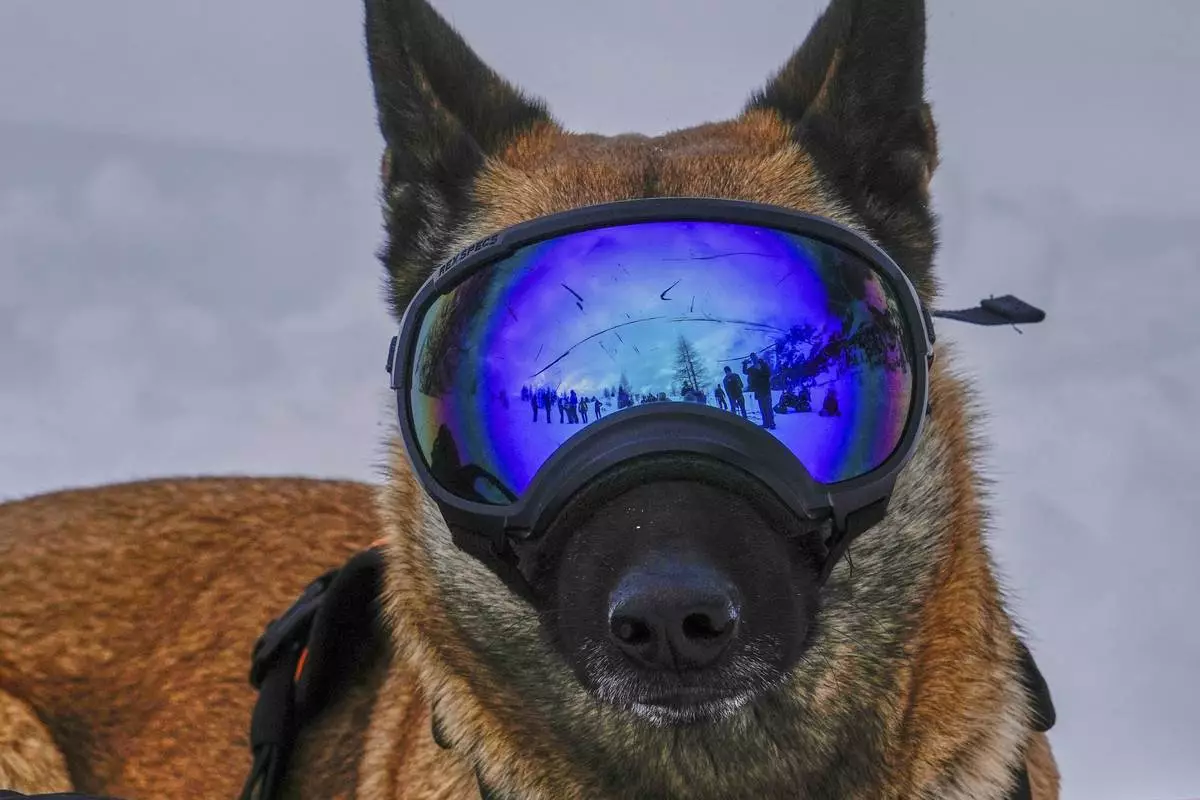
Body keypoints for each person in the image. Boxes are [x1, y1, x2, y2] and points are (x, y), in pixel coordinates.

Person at [744, 352, 775, 430]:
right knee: (763, 408)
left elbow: (768, 374)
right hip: (758, 392)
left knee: (768, 408)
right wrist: (745, 364)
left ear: (756, 357)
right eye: (752, 358)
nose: (753, 359)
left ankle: (771, 423)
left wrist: (759, 376)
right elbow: (745, 372)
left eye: (754, 357)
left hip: (766, 390)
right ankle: (766, 423)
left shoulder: (764, 365)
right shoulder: (752, 368)